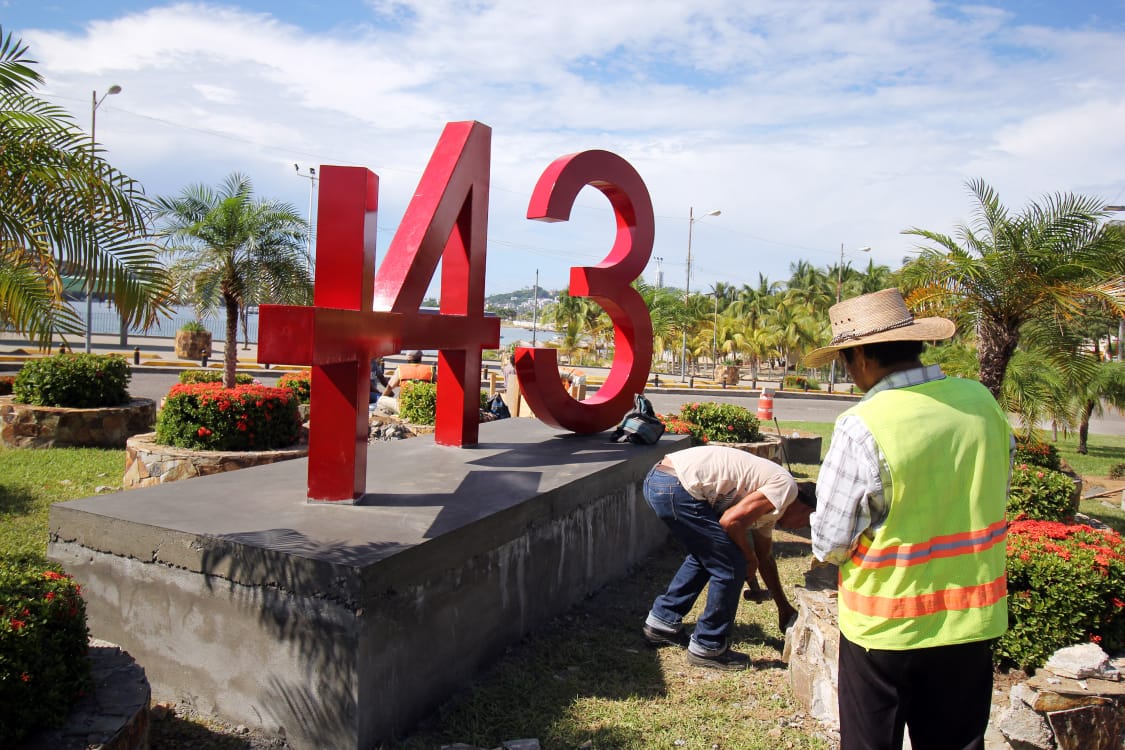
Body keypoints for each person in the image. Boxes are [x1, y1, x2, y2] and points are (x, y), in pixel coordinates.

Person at [803, 288, 1013, 750]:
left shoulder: (864, 424)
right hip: (972, 621)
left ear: (858, 356)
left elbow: (831, 542)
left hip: (885, 627)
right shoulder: (981, 402)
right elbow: (996, 490)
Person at [641, 444, 816, 671]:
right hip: (677, 485)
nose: (802, 528)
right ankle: (708, 646)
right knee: (730, 564)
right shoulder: (785, 488)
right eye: (807, 521)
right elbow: (730, 522)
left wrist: (783, 608)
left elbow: (764, 557)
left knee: (709, 555)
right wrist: (746, 556)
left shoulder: (771, 507)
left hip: (663, 481)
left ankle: (662, 623)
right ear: (805, 508)